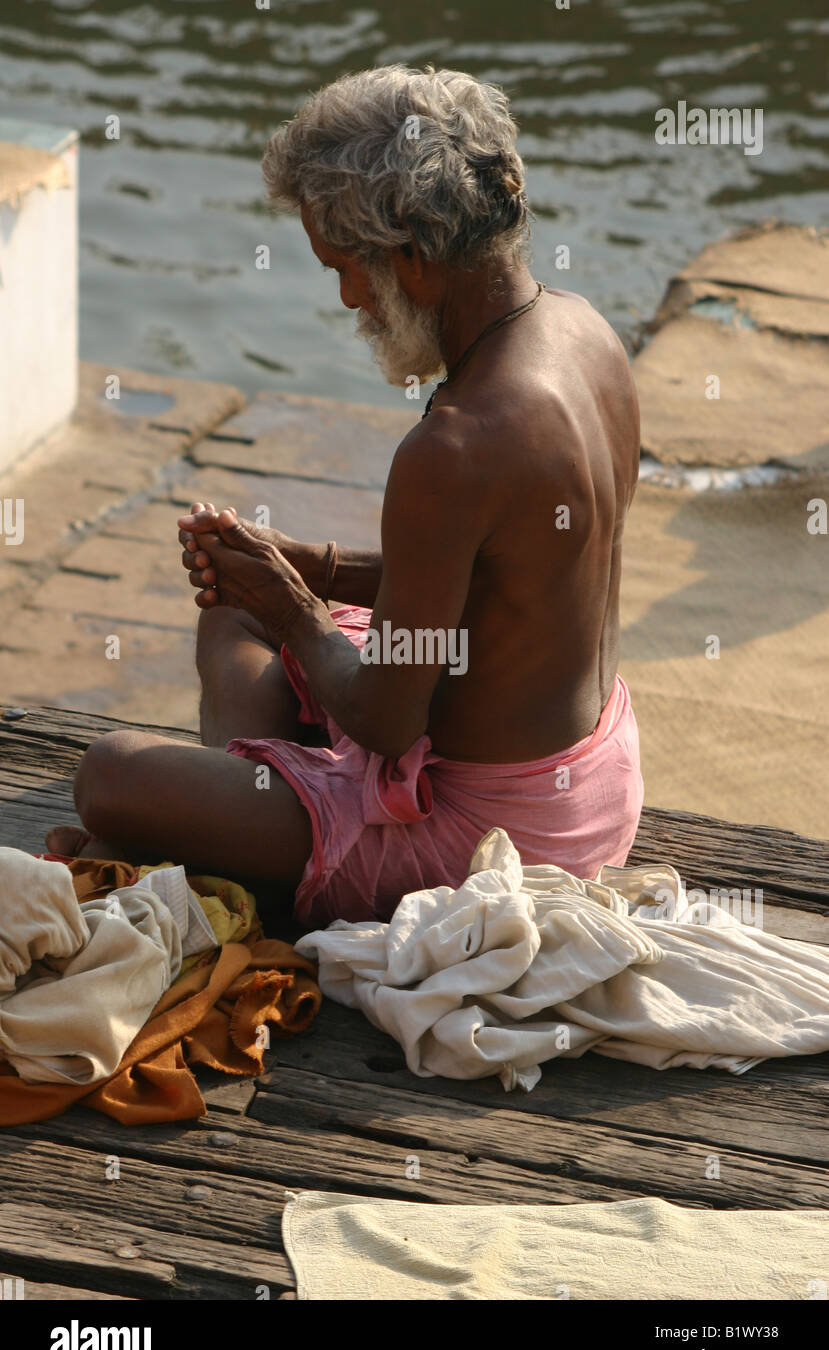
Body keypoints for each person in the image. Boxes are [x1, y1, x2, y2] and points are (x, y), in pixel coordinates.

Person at [47, 64, 644, 925]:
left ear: (413, 251)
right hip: (591, 781)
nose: (347, 299)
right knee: (234, 610)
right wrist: (310, 568)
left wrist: (297, 608)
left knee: (109, 774)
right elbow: (506, 576)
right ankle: (260, 809)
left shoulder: (454, 444)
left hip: (489, 842)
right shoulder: (584, 331)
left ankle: (253, 832)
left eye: (347, 268)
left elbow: (387, 722)